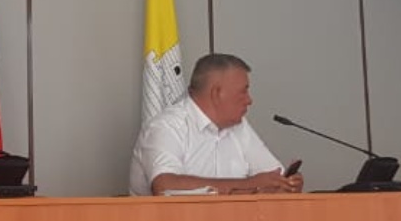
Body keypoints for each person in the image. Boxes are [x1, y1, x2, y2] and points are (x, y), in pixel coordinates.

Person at [129, 53, 305, 196]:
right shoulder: (166, 126)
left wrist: (285, 184)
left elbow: (271, 176)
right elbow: (165, 186)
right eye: (243, 91)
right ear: (216, 93)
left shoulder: (239, 126)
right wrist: (249, 185)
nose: (249, 100)